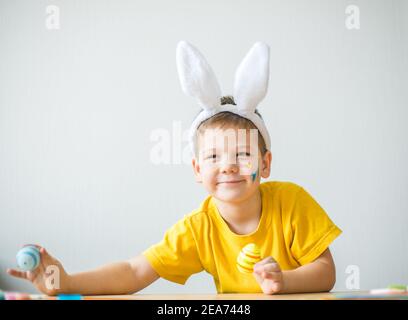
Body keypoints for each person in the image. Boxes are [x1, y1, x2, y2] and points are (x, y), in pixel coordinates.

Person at [7, 41, 341, 295]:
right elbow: (134, 271)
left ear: (265, 164)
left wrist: (284, 280)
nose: (227, 166)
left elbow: (326, 272)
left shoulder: (292, 203)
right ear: (197, 169)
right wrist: (65, 282)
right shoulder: (198, 229)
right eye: (213, 158)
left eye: (242, 154)